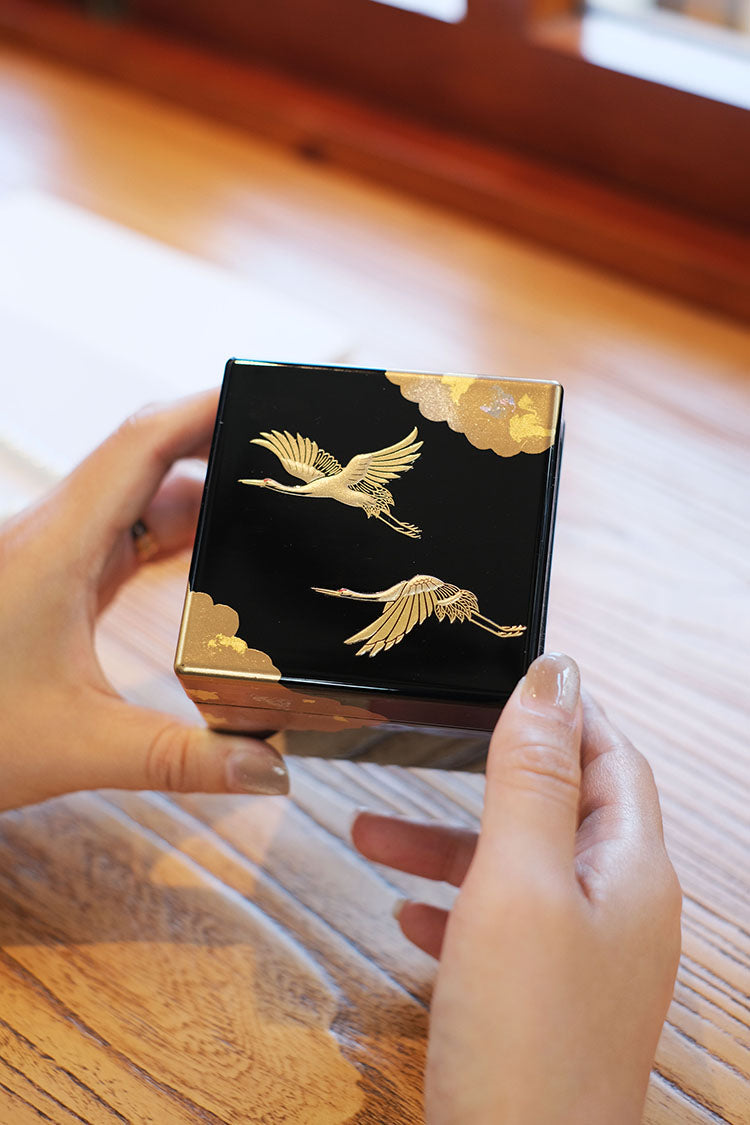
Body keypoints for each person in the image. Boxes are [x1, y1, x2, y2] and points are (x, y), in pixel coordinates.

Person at [0, 390, 681, 1123]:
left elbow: (385, 488)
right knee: (379, 589)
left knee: (396, 591)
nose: (280, 486)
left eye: (276, 484)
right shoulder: (339, 510)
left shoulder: (369, 510)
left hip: (433, 580)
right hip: (407, 571)